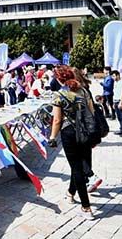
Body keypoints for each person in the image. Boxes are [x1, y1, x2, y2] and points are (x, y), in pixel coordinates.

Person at [47, 67, 97, 221]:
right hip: (86, 131)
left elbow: (57, 120)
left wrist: (52, 137)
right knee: (79, 166)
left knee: (77, 168)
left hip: (69, 133)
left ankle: (86, 207)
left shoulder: (59, 95)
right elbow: (92, 112)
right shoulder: (83, 91)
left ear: (60, 79)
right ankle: (70, 193)